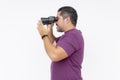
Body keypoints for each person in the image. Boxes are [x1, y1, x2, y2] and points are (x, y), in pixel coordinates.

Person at [37, 6, 84, 80]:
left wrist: (44, 35)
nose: (55, 22)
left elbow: (54, 55)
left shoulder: (73, 35)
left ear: (67, 19)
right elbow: (53, 45)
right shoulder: (66, 36)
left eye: (57, 19)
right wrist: (49, 30)